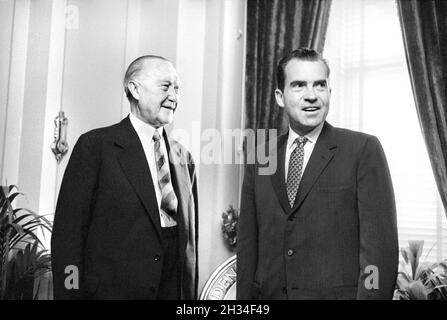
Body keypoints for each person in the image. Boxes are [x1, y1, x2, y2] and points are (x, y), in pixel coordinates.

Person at [236, 48, 398, 300]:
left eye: (319, 85)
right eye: (299, 85)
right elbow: (247, 251)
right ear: (280, 96)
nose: (311, 96)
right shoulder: (260, 156)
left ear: (329, 92)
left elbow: (379, 254)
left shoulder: (362, 150)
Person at [51, 55, 198, 300]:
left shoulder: (185, 158)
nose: (174, 96)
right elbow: (68, 238)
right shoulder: (95, 146)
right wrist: (70, 294)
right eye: (165, 86)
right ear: (135, 89)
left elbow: (190, 247)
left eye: (177, 88)